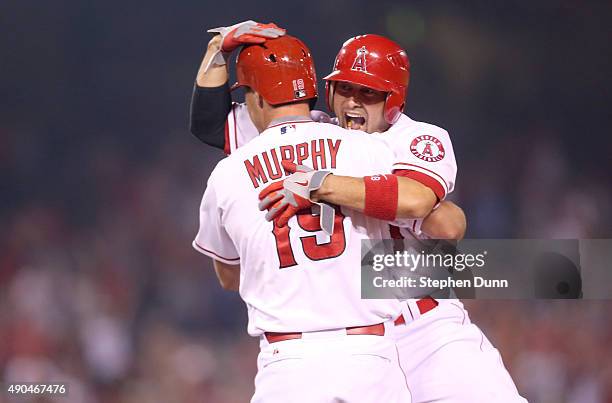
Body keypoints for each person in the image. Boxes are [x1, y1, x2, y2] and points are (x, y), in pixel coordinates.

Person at [192, 24, 527, 402]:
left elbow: (435, 214)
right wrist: (220, 49)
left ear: (394, 100)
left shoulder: (415, 139)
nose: (352, 102)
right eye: (345, 88)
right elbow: (210, 124)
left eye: (367, 93)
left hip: (426, 327)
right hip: (360, 340)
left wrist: (322, 184)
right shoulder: (322, 134)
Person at [192, 32, 411, 402]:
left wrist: (217, 48)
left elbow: (229, 275)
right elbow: (428, 211)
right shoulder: (372, 150)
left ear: (257, 98)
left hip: (289, 364)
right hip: (370, 357)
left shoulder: (228, 174)